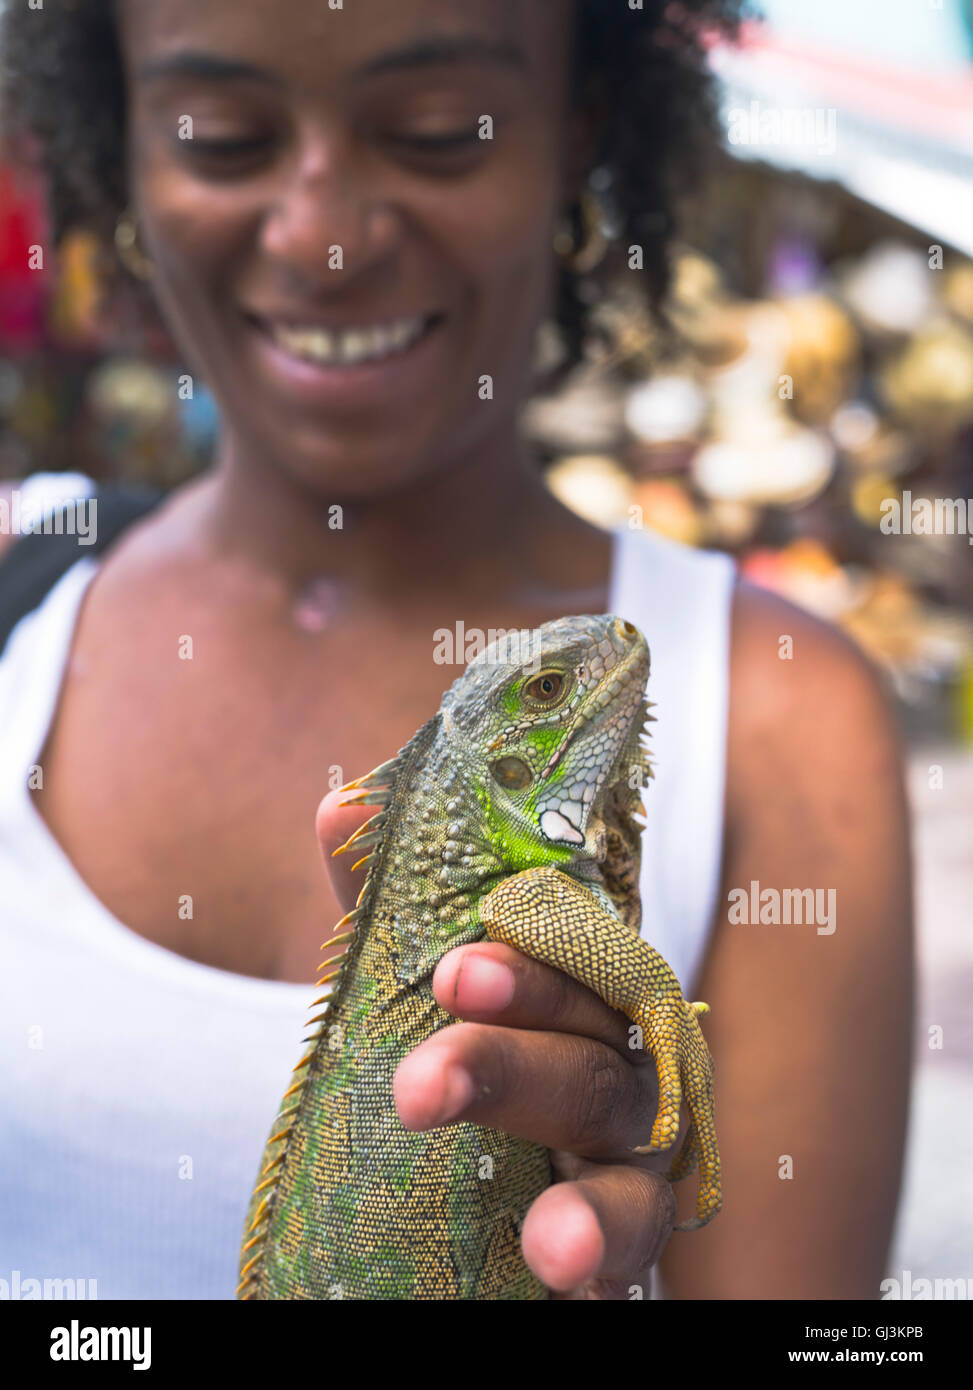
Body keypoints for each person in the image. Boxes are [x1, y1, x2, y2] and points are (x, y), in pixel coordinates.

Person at [0, 0, 912, 1300]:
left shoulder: (786, 717)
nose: (323, 236)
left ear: (576, 132)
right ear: (122, 148)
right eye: (223, 135)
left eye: (434, 133)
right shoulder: (17, 591)